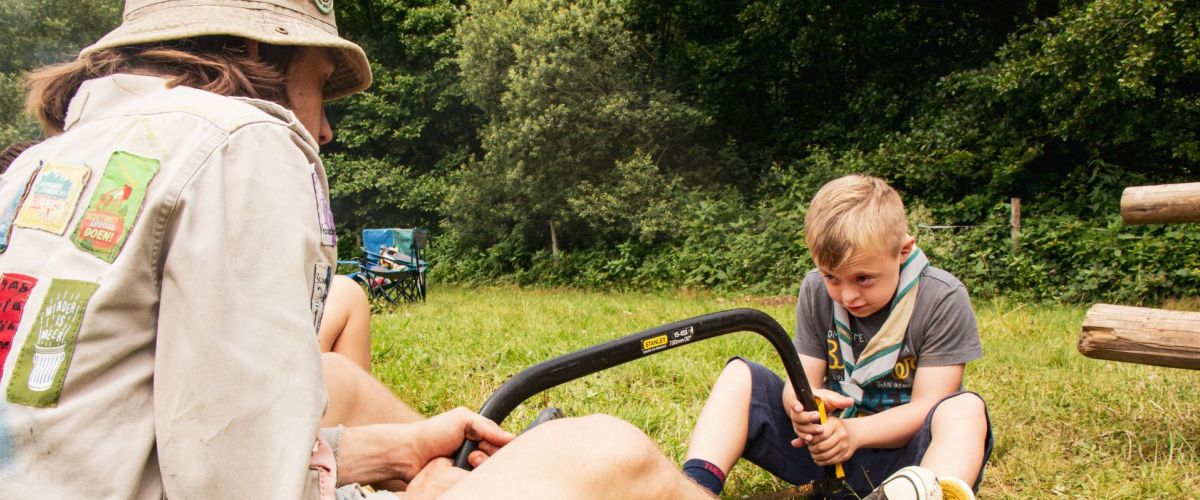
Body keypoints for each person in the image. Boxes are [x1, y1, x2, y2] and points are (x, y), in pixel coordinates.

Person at [0, 1, 714, 498]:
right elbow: (237, 485)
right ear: (256, 52)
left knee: (335, 381)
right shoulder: (241, 140)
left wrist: (395, 453)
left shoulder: (44, 162)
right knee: (607, 453)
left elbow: (165, 438)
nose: (326, 131)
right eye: (319, 87)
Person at [682, 174, 992, 499]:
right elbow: (801, 379)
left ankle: (931, 493)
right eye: (832, 276)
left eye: (863, 278)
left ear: (902, 251)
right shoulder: (816, 289)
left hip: (908, 460)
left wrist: (855, 432)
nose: (847, 295)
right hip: (827, 450)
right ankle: (692, 490)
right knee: (739, 376)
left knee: (965, 409)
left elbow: (929, 405)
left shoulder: (942, 298)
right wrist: (800, 410)